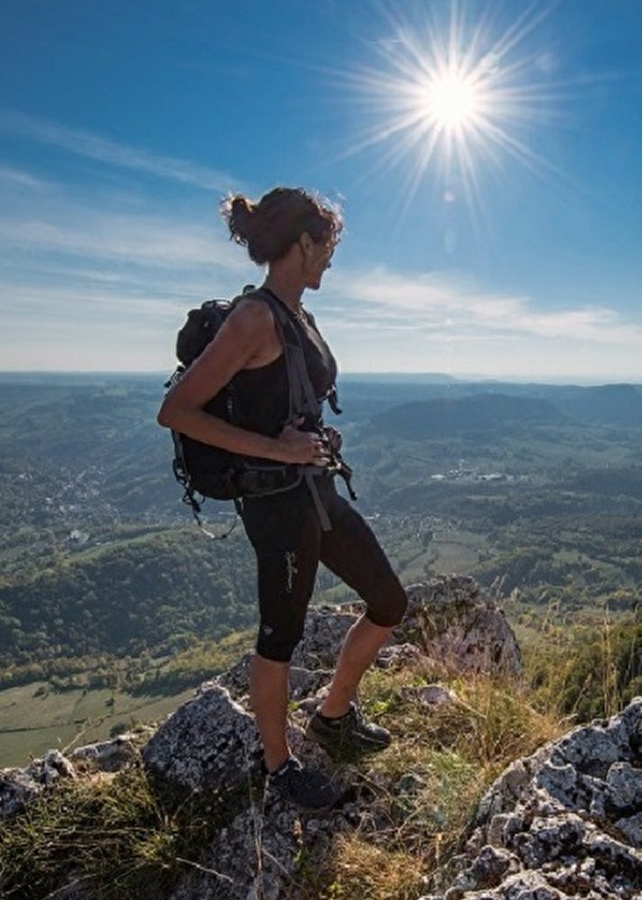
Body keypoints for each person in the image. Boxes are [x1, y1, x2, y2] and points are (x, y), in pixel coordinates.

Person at [157, 187, 407, 809]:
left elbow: (286, 404)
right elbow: (177, 411)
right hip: (278, 505)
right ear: (303, 243)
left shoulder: (299, 316)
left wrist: (314, 437)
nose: (331, 260)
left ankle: (333, 715)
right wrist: (282, 451)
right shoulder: (254, 318)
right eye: (328, 247)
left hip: (316, 491)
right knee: (280, 636)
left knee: (388, 599)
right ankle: (277, 765)